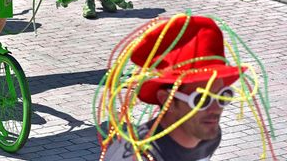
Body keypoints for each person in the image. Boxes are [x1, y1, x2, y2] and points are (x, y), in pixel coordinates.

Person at [102, 14, 253, 161]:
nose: (215, 109)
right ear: (167, 99)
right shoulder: (140, 156)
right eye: (201, 99)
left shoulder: (207, 137)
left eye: (222, 96)